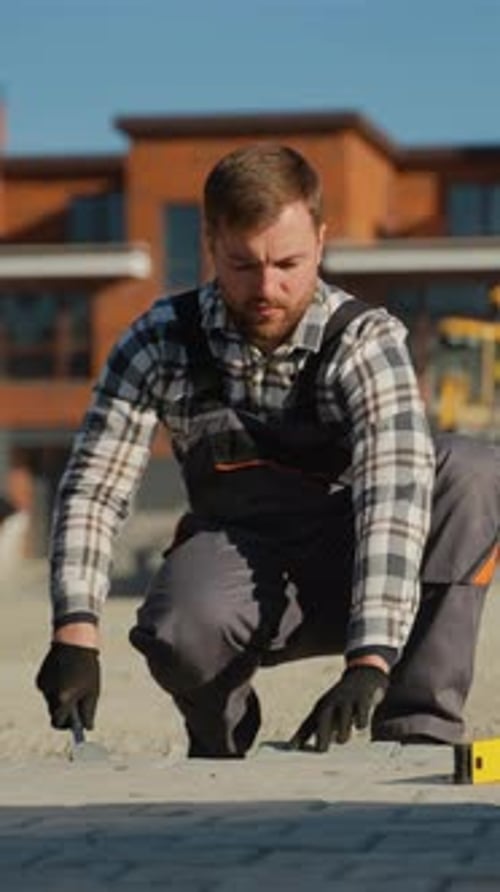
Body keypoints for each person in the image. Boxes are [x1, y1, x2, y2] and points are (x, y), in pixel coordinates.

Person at [36, 143, 500, 757]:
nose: (267, 287)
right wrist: (74, 631)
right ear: (211, 244)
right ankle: (223, 737)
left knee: (471, 471)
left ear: (321, 241)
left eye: (288, 263)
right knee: (178, 629)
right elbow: (94, 489)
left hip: (360, 561)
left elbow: (393, 494)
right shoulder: (159, 343)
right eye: (243, 264)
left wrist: (369, 659)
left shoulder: (363, 341)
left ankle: (416, 726)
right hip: (240, 567)